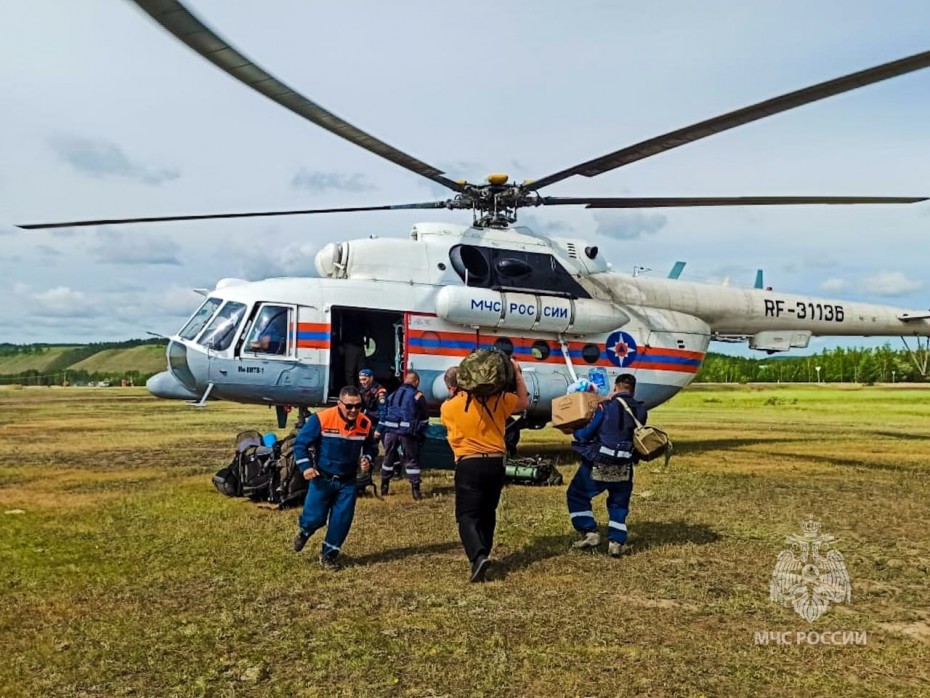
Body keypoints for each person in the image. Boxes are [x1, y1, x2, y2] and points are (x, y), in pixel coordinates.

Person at [441, 358, 529, 582]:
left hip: (469, 463)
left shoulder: (448, 407)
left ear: (453, 386)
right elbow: (523, 402)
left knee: (467, 514)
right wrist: (517, 374)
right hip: (497, 462)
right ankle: (485, 552)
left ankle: (478, 556)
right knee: (488, 511)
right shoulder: (498, 400)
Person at [292, 385, 378, 570]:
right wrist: (306, 467)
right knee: (314, 517)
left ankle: (328, 556)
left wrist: (368, 458)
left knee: (342, 520)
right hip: (322, 479)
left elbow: (371, 446)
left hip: (347, 481)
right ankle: (305, 531)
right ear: (340, 403)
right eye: (349, 406)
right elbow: (300, 444)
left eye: (358, 406)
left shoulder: (365, 423)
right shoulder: (321, 419)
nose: (354, 410)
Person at [566, 373, 647, 558]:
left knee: (577, 494)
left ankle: (590, 532)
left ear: (615, 388)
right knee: (619, 502)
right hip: (625, 462)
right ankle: (616, 542)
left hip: (600, 461)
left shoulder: (605, 406)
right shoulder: (641, 410)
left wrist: (575, 429)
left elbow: (584, 435)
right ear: (633, 390)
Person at [378, 371, 429, 499]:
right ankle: (415, 490)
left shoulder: (393, 394)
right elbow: (424, 417)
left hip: (390, 431)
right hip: (407, 433)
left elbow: (385, 411)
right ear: (416, 382)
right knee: (411, 460)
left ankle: (384, 486)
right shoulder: (417, 395)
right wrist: (421, 431)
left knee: (388, 458)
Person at [340, 312, 367, 387]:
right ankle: (351, 389)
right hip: (352, 346)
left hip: (358, 346)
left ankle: (360, 389)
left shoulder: (360, 322)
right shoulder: (348, 323)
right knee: (350, 371)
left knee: (360, 371)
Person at [358, 368, 387, 433]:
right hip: (366, 420)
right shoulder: (361, 390)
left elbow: (383, 411)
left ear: (371, 378)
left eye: (364, 379)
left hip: (376, 422)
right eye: (360, 380)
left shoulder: (380, 391)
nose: (362, 382)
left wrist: (379, 429)